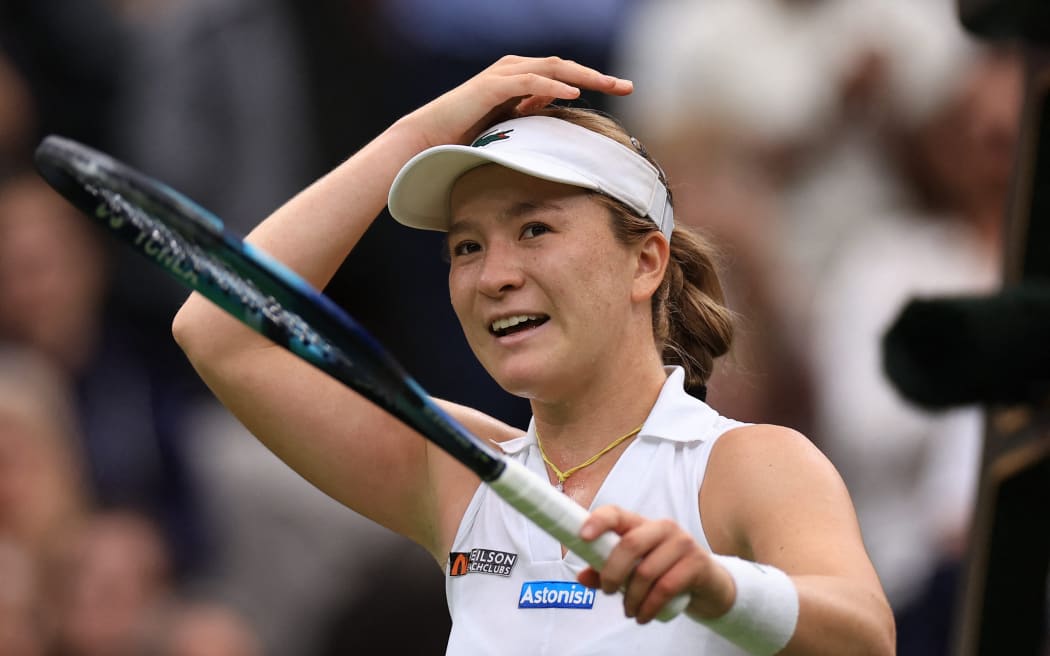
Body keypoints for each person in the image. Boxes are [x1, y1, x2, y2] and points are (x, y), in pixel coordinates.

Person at [172, 56, 894, 654]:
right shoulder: (457, 473)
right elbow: (217, 327)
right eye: (466, 246)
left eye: (536, 229)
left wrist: (718, 587)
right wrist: (421, 132)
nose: (494, 276)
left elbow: (866, 636)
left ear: (645, 263)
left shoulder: (746, 465)